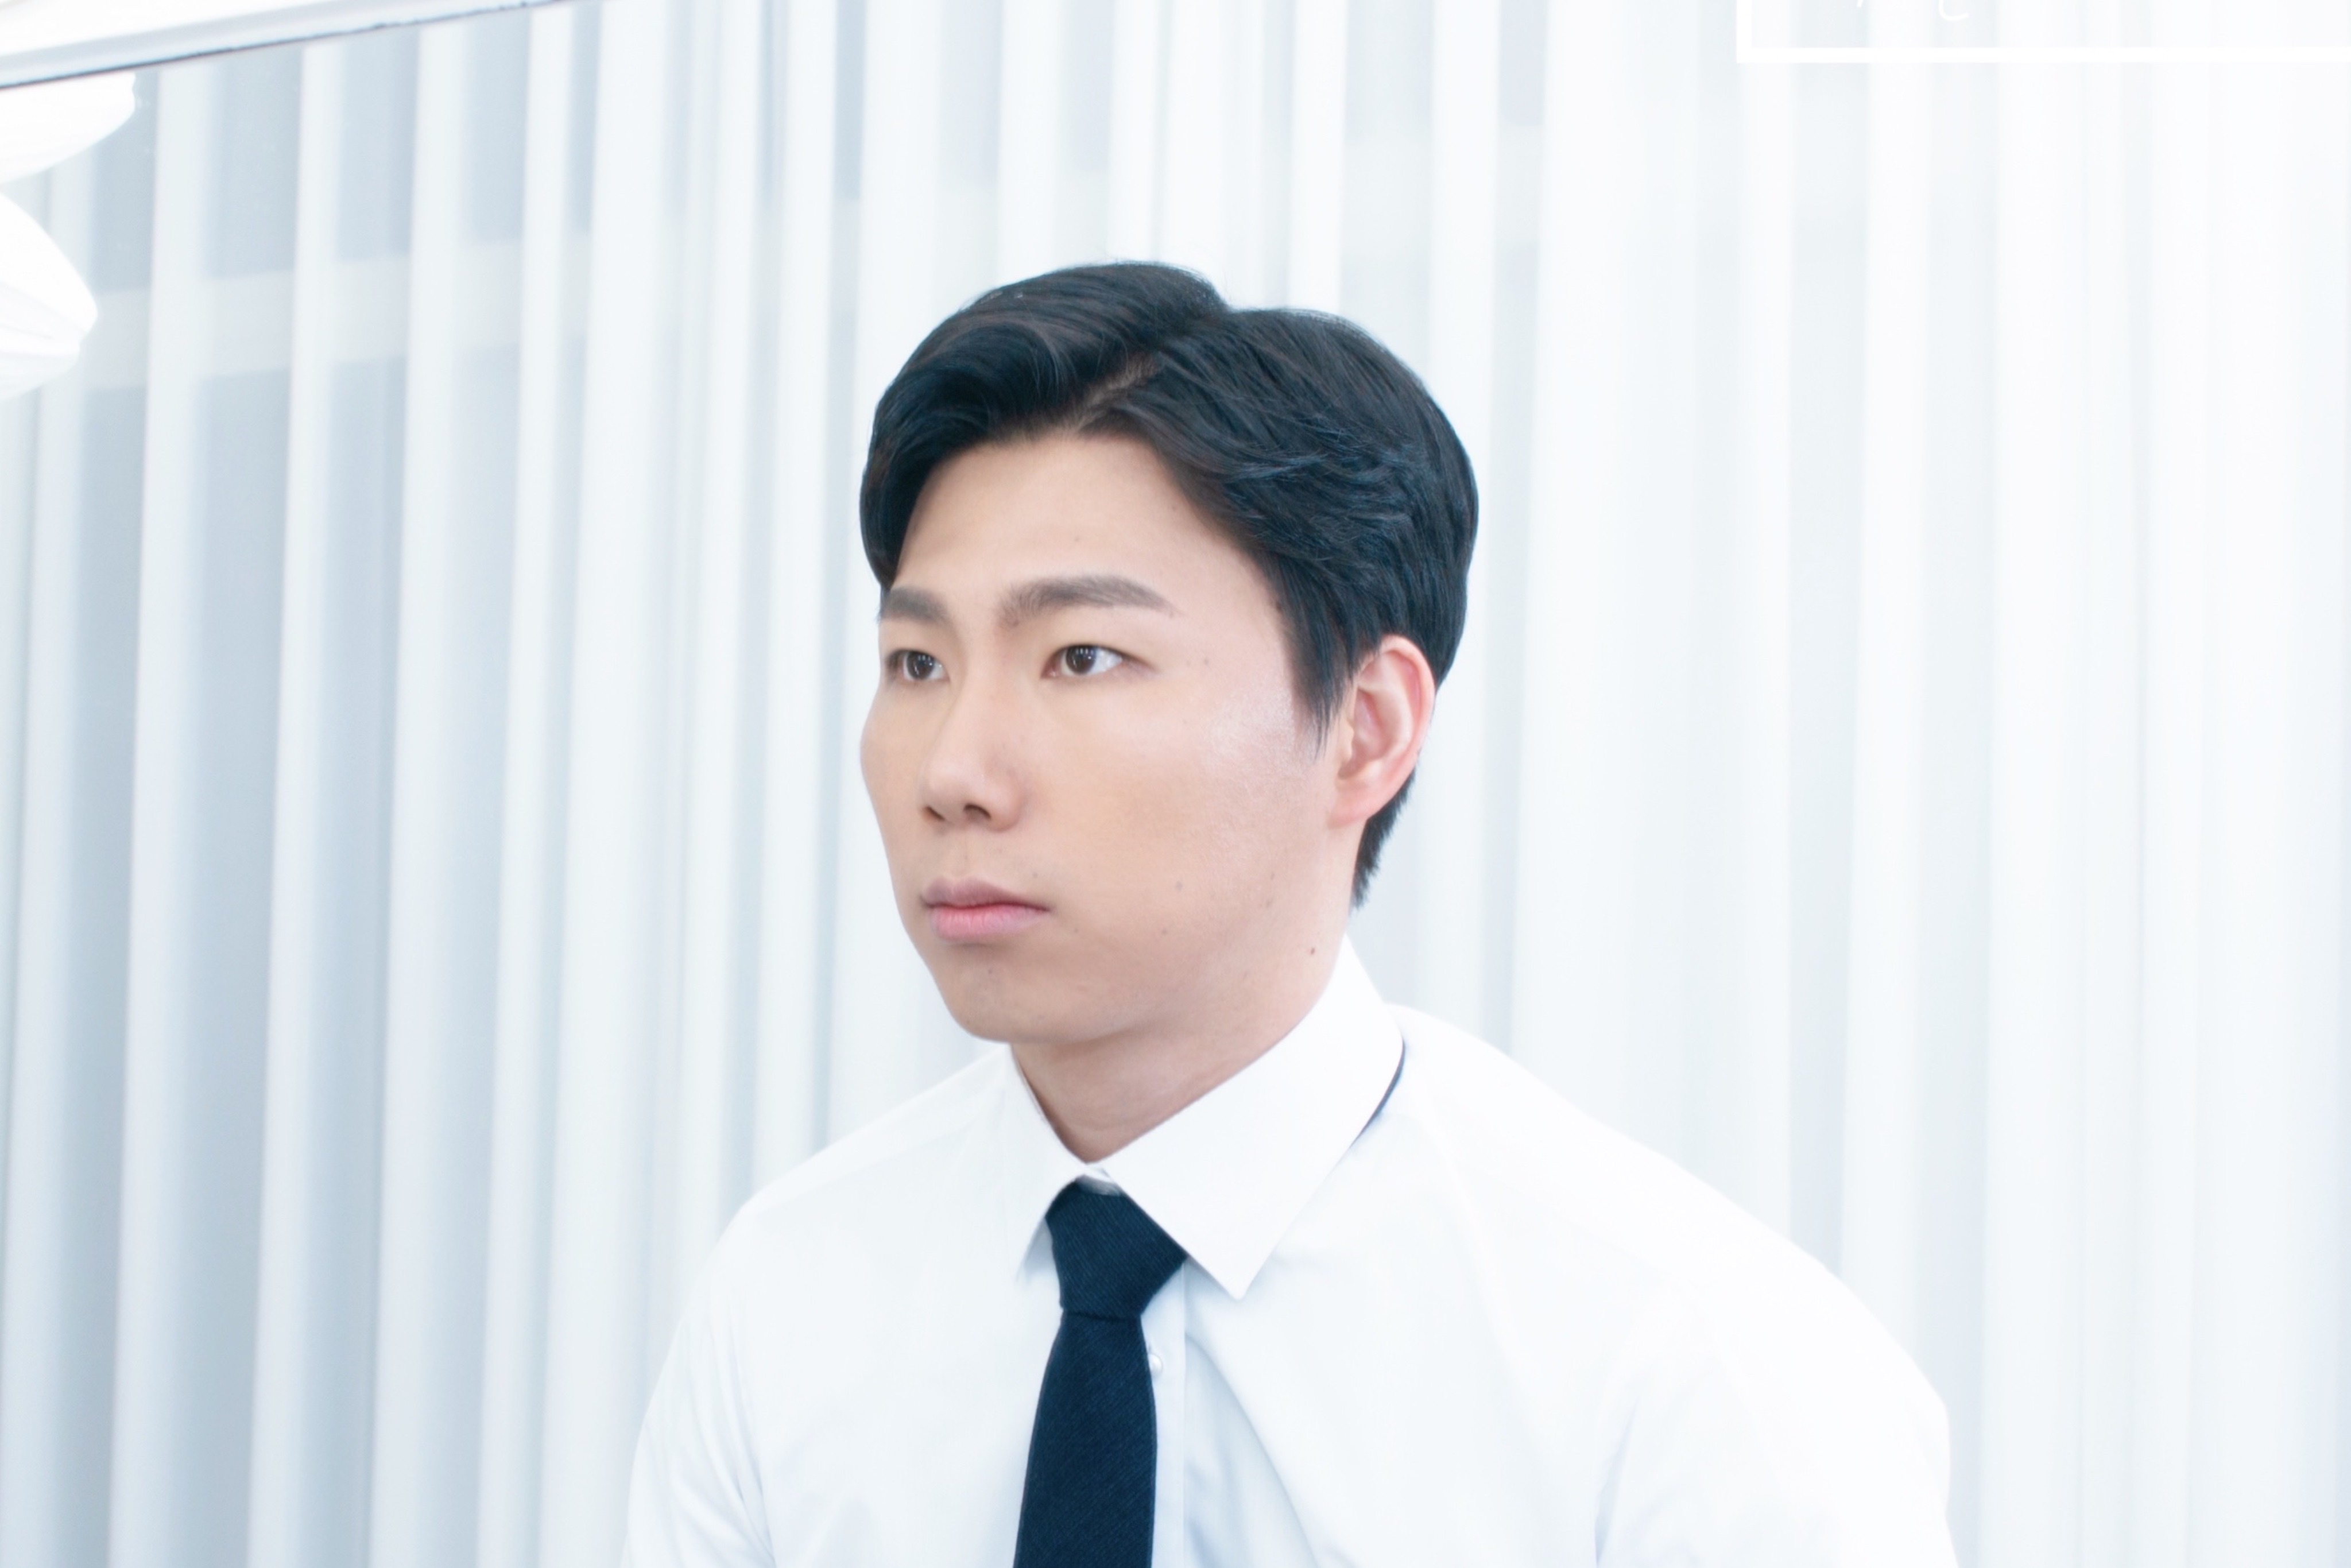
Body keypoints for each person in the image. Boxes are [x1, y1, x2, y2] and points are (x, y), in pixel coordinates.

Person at [623, 262, 1956, 1567]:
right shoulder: (786, 1300)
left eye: (1082, 656)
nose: (954, 772)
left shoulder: (1686, 1367)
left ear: (1363, 730)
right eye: (917, 663)